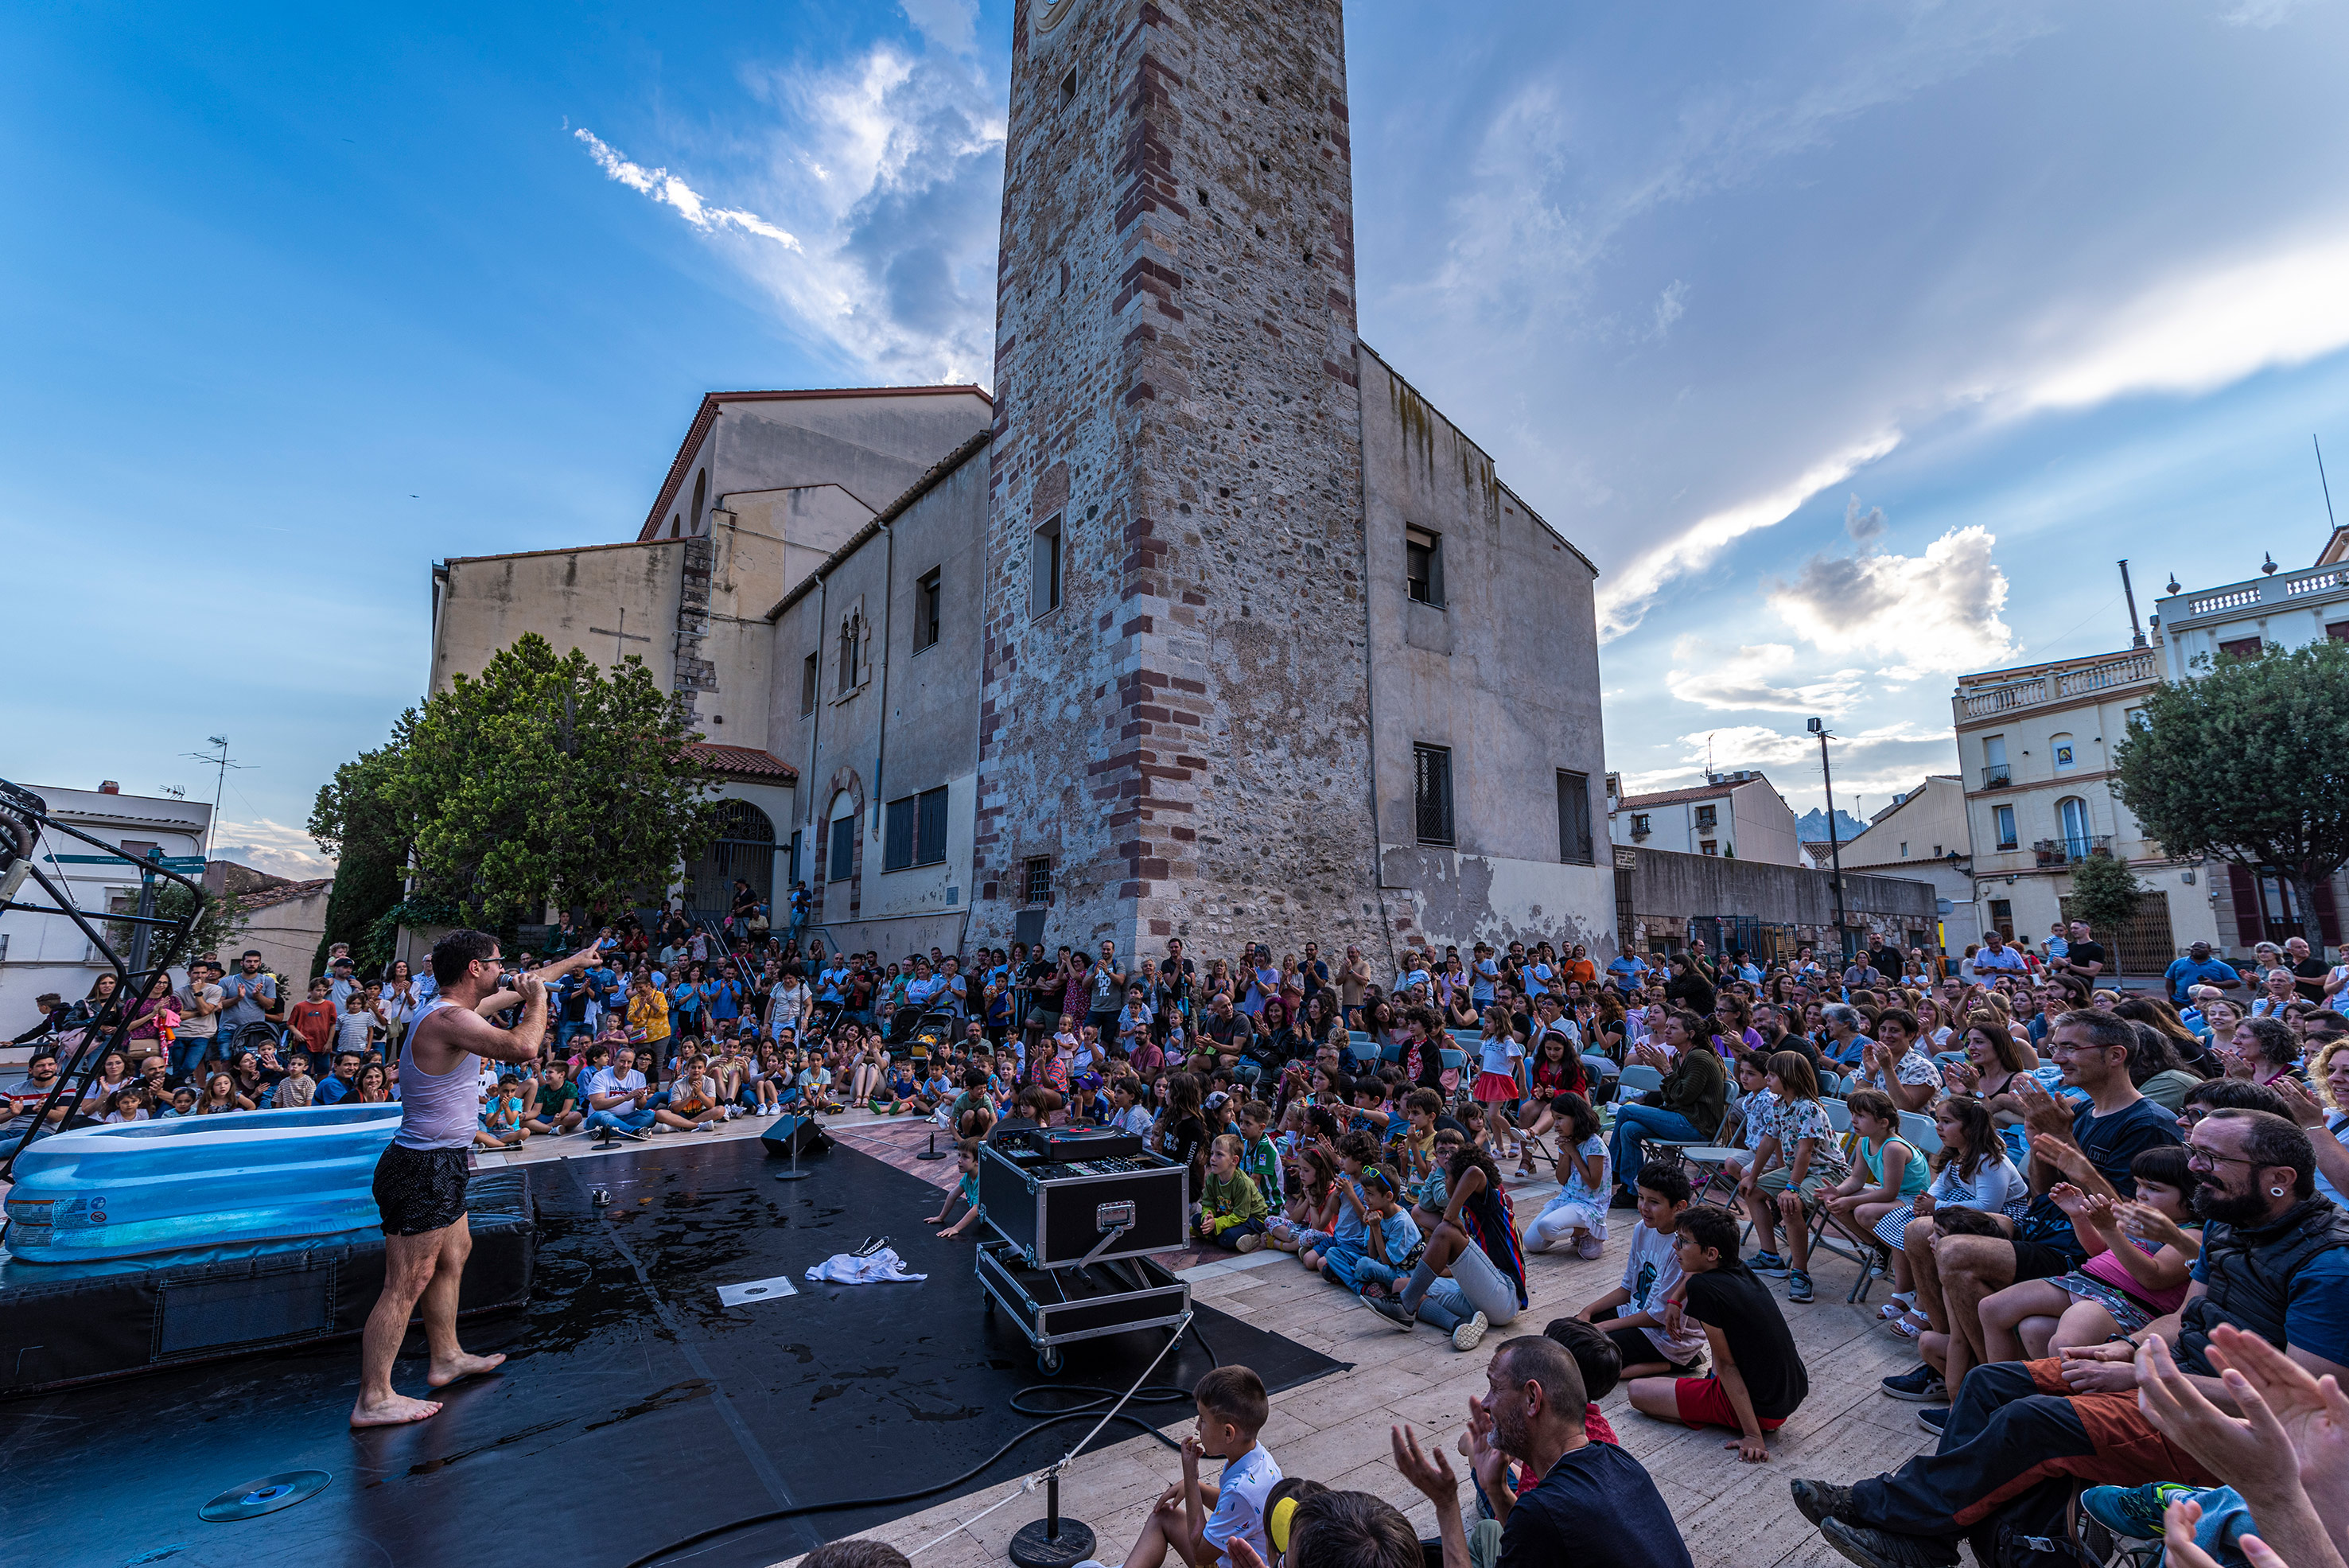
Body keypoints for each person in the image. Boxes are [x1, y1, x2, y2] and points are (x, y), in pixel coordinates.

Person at [1791, 1108, 2349, 1568]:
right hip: (2162, 1376)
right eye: (2193, 1151)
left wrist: (2138, 1374)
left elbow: (2299, 1403)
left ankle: (1884, 1507)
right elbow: (2184, 1315)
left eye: (2211, 1158)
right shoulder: (2230, 1218)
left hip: (2216, 1424)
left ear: (2278, 1176)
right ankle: (1925, 1534)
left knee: (2030, 1420)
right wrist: (2123, 1348)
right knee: (1991, 1383)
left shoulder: (2328, 1264)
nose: (2193, 1167)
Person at [351, 929, 601, 1426]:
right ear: (474, 969)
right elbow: (526, 1046)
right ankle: (373, 1397)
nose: (501, 968)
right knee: (406, 1283)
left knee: (454, 1253)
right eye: (495, 962)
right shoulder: (448, 1018)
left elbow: (528, 983)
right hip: (421, 1167)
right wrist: (539, 999)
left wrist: (573, 962)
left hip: (443, 1164)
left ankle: (446, 1358)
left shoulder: (455, 1011)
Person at [1390, 1334, 1694, 1568]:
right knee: (1486, 1531)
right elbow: (1542, 1542)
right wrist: (1495, 1488)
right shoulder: (1616, 1459)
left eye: (1495, 1389)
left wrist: (1446, 1503)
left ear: (1533, 1399)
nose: (1484, 1404)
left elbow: (1541, 1526)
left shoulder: (1544, 1513)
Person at [1624, 1203, 1807, 1461]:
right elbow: (1694, 1275)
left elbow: (1725, 1365)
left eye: (1683, 1241)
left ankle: (1728, 1414)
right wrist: (1675, 1300)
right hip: (1787, 1394)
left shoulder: (1704, 1289)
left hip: (1762, 1409)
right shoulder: (1736, 1266)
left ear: (1710, 1253)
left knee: (1637, 1392)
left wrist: (1753, 1436)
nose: (1675, 1246)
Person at [1108, 1363, 1281, 1568]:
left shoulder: (1241, 1490)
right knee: (1165, 1514)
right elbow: (1240, 1510)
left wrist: (1191, 1478)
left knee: (1162, 1518)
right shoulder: (1261, 1458)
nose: (1197, 1426)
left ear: (1228, 1433)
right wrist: (1198, 1489)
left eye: (1203, 1419)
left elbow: (1201, 1554)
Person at [2164, 941, 2242, 1008]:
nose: (2196, 948)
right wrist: (2171, 997)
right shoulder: (2178, 963)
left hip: (2211, 1004)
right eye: (2193, 947)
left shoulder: (2220, 966)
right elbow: (2170, 980)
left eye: (2201, 947)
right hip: (2181, 1003)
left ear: (2210, 951)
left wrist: (2214, 984)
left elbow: (2236, 982)